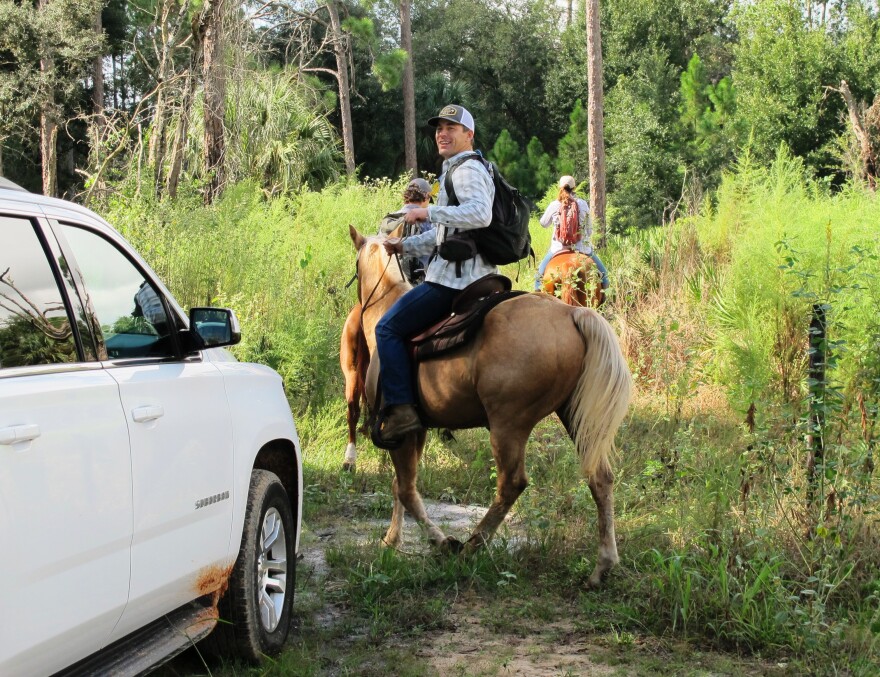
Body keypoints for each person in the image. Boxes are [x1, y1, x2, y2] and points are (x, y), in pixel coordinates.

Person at [376, 104, 496, 442]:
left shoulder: (465, 169)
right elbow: (447, 236)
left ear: (468, 135)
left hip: (455, 279)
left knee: (386, 328)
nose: (442, 133)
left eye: (451, 128)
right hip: (476, 270)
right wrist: (405, 247)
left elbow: (480, 214)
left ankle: (401, 410)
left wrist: (428, 211)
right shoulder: (461, 168)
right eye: (439, 128)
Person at [535, 176, 608, 291]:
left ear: (560, 188)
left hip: (558, 249)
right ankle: (604, 301)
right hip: (583, 249)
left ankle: (538, 299)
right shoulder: (583, 204)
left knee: (538, 279)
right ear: (574, 188)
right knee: (605, 276)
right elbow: (589, 231)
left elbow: (543, 223)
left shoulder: (554, 205)